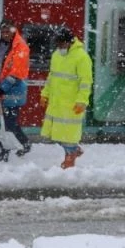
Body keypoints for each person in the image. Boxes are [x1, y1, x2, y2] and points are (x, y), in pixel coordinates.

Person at [40, 26, 93, 169]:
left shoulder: (81, 57)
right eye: (57, 44)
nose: (59, 47)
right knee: (55, 134)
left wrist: (82, 101)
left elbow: (85, 81)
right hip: (56, 102)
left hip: (71, 103)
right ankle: (74, 150)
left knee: (68, 134)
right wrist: (45, 94)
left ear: (69, 42)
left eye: (61, 44)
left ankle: (70, 157)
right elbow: (51, 76)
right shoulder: (56, 55)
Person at [0, 19, 31, 161]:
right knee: (6, 122)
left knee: (9, 123)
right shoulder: (1, 45)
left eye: (8, 31)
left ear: (14, 30)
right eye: (3, 32)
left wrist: (2, 88)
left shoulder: (21, 47)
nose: (5, 34)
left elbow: (16, 73)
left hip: (14, 91)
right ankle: (15, 146)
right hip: (2, 88)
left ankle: (12, 148)